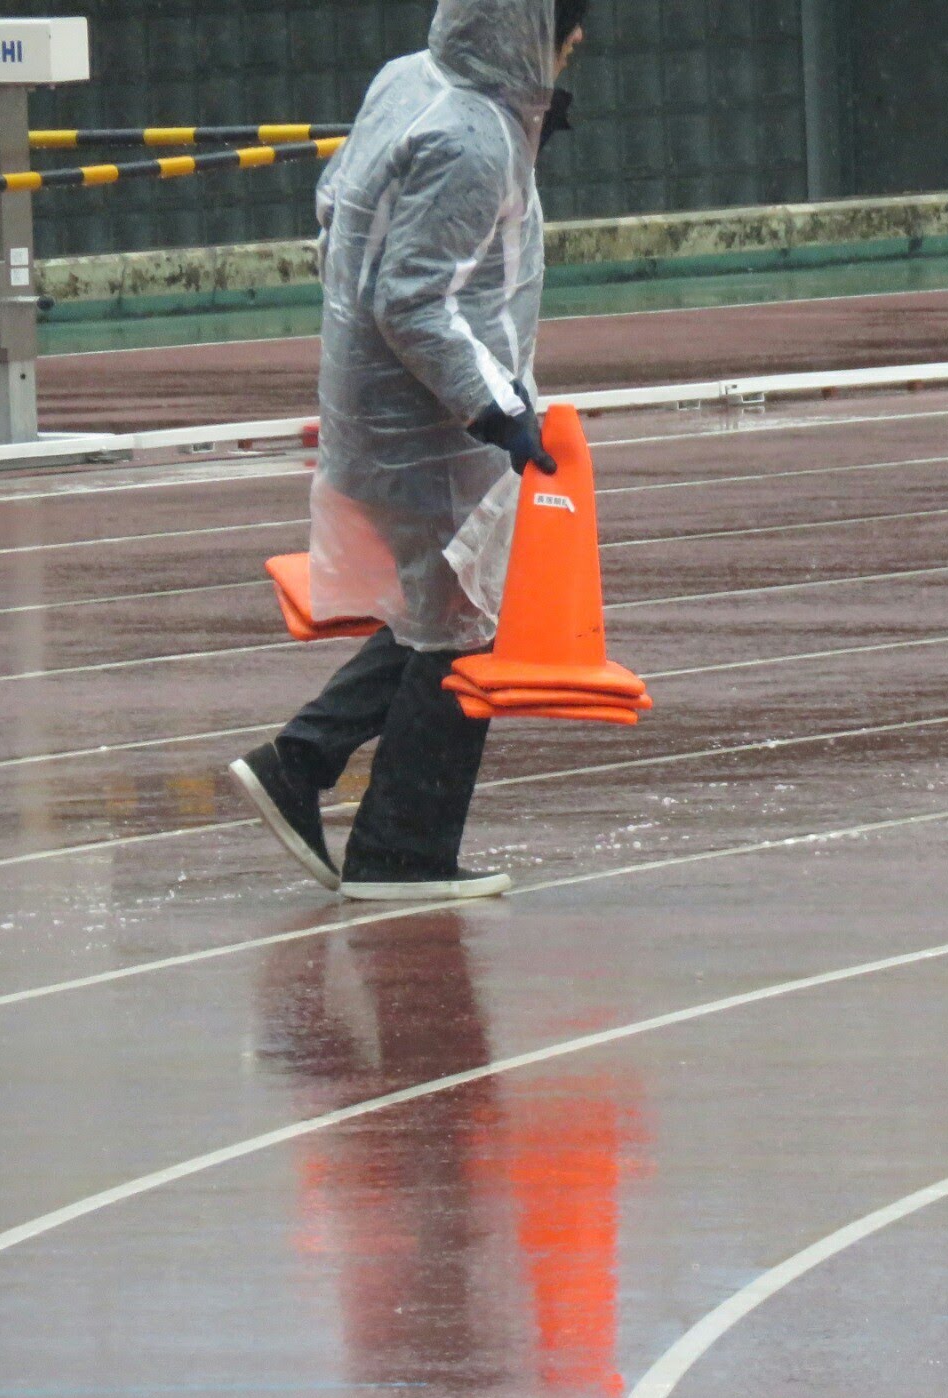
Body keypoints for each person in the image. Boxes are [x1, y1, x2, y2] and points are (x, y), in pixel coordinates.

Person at [229, 0, 588, 902]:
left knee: (440, 609)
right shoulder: (475, 138)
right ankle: (399, 850)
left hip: (379, 405)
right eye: (568, 36)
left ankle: (301, 761)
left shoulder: (409, 80)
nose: (576, 49)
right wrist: (496, 412)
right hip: (431, 427)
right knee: (468, 627)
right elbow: (416, 301)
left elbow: (340, 204)